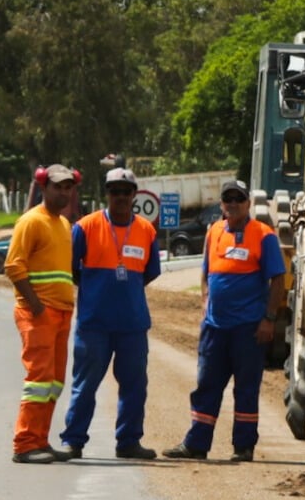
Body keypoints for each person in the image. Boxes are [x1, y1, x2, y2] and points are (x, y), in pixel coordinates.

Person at [163, 179, 289, 461]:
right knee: (206, 386)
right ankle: (196, 444)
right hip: (215, 329)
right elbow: (206, 272)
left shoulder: (264, 235)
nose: (232, 204)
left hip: (248, 329)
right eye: (227, 199)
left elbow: (278, 280)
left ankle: (243, 447)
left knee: (246, 388)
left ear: (248, 204)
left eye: (238, 199)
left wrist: (269, 319)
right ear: (221, 204)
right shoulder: (214, 232)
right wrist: (205, 301)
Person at [58, 166, 161, 460]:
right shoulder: (85, 227)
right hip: (95, 325)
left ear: (134, 195)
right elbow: (72, 268)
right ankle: (73, 440)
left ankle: (128, 442)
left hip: (132, 325)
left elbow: (149, 272)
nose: (120, 197)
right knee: (85, 385)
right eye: (114, 191)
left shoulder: (146, 230)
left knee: (134, 386)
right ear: (107, 194)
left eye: (126, 192)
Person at [4, 165, 81, 462]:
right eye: (57, 186)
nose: (63, 191)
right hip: (38, 313)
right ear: (43, 187)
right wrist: (36, 306)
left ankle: (40, 440)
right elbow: (14, 266)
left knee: (53, 382)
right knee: (38, 380)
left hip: (61, 314)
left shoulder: (62, 223)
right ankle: (25, 445)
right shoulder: (31, 221)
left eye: (67, 187)